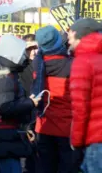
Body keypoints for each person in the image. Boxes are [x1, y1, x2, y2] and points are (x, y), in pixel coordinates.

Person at [0, 34, 40, 173]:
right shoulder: (5, 77)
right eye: (21, 53)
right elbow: (4, 108)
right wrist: (29, 103)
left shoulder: (1, 73)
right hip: (5, 136)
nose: (24, 57)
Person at [31, 26, 75, 173]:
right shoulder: (71, 65)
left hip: (43, 127)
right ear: (58, 42)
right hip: (66, 129)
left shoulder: (37, 64)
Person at [69, 18, 102, 172]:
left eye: (69, 35)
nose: (68, 40)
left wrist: (76, 140)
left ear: (77, 34)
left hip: (96, 140)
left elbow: (80, 107)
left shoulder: (83, 60)